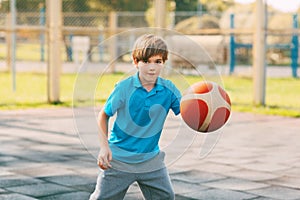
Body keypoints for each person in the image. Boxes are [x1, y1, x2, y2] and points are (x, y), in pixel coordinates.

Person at [89, 34, 181, 200]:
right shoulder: (124, 88)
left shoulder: (169, 90)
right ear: (135, 61)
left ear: (164, 62)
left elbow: (189, 112)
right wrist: (104, 148)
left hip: (150, 159)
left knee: (166, 197)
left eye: (158, 61)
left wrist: (205, 112)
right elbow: (103, 115)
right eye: (146, 61)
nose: (152, 67)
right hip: (119, 159)